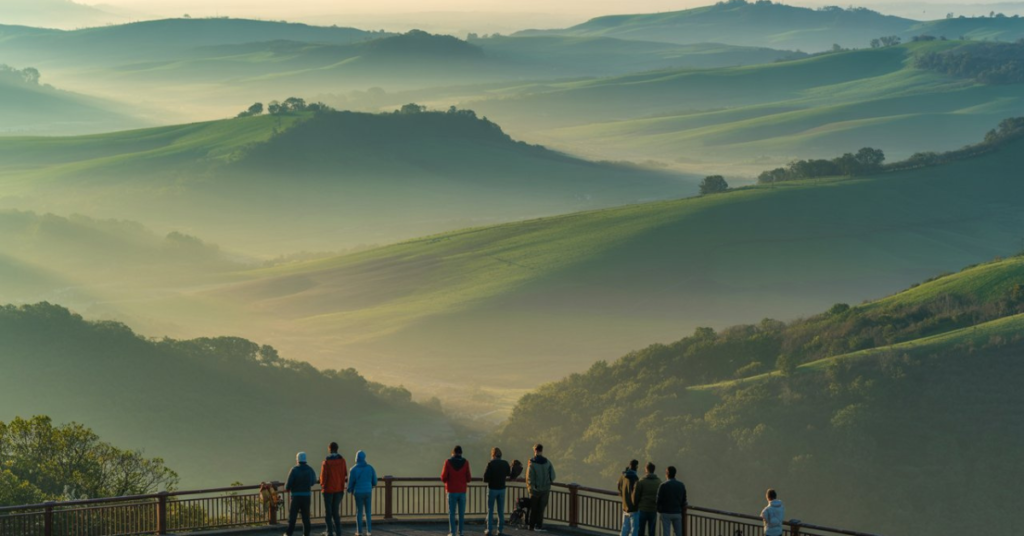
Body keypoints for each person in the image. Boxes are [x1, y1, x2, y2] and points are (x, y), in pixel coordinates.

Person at [441, 445, 473, 536]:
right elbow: (469, 478)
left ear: (453, 453)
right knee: (461, 513)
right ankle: (461, 532)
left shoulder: (447, 462)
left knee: (452, 513)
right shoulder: (466, 462)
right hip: (462, 491)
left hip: (451, 491)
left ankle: (452, 532)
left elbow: (443, 477)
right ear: (461, 453)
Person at [285, 452, 317, 536]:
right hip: (306, 496)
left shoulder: (294, 470)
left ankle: (289, 533)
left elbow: (288, 485)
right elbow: (313, 481)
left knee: (292, 517)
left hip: (295, 496)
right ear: (305, 460)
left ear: (297, 460)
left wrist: (288, 488)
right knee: (306, 517)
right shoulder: (310, 469)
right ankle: (306, 534)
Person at [347, 451, 378, 536]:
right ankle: (369, 531)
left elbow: (350, 484)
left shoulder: (353, 469)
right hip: (368, 491)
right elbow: (375, 482)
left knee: (359, 512)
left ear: (356, 458)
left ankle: (359, 531)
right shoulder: (370, 468)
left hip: (358, 492)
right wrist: (370, 485)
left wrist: (350, 489)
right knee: (368, 512)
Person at [526, 444, 555, 532]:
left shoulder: (531, 463)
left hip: (535, 490)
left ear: (535, 451)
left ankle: (531, 526)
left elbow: (529, 478)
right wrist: (548, 482)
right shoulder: (547, 462)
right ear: (542, 450)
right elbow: (553, 475)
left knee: (533, 509)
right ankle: (538, 526)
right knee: (541, 509)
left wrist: (531, 487)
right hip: (545, 489)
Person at [320, 442, 348, 536]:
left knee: (328, 512)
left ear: (329, 449)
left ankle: (329, 532)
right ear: (337, 449)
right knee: (335, 512)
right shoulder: (342, 461)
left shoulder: (326, 462)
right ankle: (338, 532)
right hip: (339, 489)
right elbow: (345, 474)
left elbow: (323, 477)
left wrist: (322, 485)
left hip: (328, 490)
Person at [483, 447, 512, 536]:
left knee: (490, 510)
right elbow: (509, 474)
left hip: (492, 489)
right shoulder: (505, 463)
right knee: (500, 511)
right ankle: (500, 531)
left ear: (493, 455)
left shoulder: (490, 464)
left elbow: (485, 478)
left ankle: (489, 530)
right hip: (502, 489)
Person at [656, 467, 687, 536]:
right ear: (675, 474)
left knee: (666, 532)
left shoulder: (663, 485)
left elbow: (658, 500)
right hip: (677, 512)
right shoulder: (681, 485)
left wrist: (659, 510)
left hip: (666, 512)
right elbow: (684, 500)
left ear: (667, 474)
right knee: (678, 533)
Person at [632, 462, 660, 536]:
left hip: (642, 509)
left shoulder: (641, 482)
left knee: (640, 530)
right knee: (652, 531)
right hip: (653, 509)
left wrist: (635, 505)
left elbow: (635, 496)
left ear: (646, 469)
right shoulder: (659, 482)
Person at [617, 460, 640, 536]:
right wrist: (636, 503)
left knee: (624, 527)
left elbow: (619, 486)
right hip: (633, 508)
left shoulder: (623, 476)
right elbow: (636, 492)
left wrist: (623, 496)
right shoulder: (635, 478)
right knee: (634, 529)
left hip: (625, 506)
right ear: (636, 467)